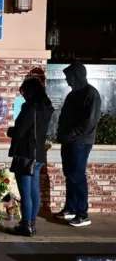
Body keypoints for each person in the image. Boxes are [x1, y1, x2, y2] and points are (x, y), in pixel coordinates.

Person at [54, 62, 101, 227]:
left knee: (78, 176)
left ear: (76, 76)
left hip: (80, 142)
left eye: (68, 77)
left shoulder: (91, 94)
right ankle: (71, 208)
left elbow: (89, 122)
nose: (67, 81)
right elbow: (63, 116)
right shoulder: (72, 95)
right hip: (68, 141)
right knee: (70, 175)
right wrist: (61, 133)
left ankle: (82, 214)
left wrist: (70, 133)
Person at [7, 77, 54, 237]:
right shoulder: (46, 108)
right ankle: (32, 223)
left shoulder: (30, 108)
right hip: (39, 153)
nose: (24, 95)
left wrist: (10, 131)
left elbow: (20, 131)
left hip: (25, 153)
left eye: (25, 92)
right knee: (34, 190)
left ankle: (25, 224)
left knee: (25, 192)